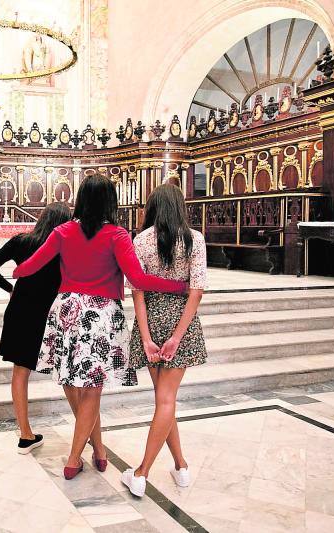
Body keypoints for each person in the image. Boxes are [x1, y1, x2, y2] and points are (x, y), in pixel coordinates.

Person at [13, 175, 189, 480]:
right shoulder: (117, 235)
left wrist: (20, 272)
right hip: (102, 314)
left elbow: (27, 267)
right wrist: (177, 286)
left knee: (74, 385)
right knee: (92, 390)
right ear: (111, 201)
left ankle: (99, 449)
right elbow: (139, 279)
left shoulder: (62, 231)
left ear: (80, 199)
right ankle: (72, 460)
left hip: (67, 311)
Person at [120, 183, 207, 497]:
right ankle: (181, 467)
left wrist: (146, 338)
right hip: (181, 319)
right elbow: (196, 290)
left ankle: (141, 472)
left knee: (164, 400)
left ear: (153, 207)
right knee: (166, 401)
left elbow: (137, 291)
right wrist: (177, 337)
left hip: (152, 318)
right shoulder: (195, 239)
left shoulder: (140, 240)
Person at [0, 202, 71, 454]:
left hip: (21, 312)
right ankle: (85, 434)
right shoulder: (65, 246)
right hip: (52, 312)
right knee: (67, 373)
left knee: (20, 373)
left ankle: (25, 435)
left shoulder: (21, 241)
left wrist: (10, 289)